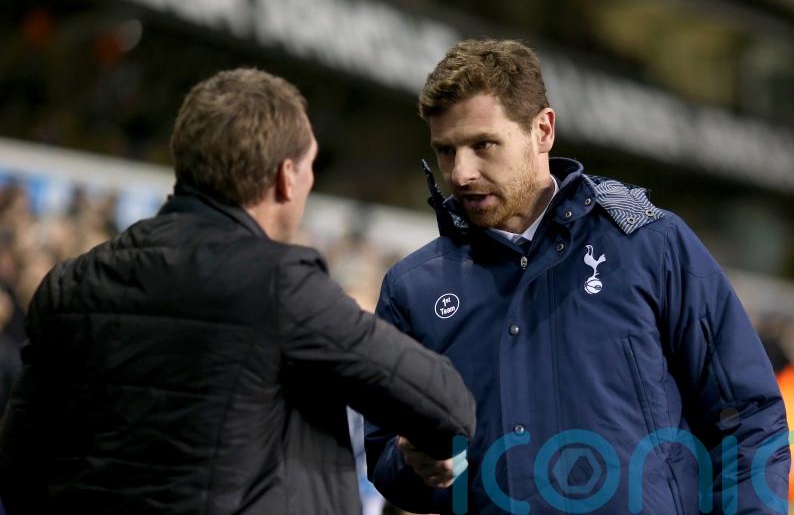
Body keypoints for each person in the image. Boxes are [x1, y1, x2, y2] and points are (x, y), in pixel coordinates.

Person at [0, 68, 476, 514]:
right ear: (286, 177)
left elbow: (18, 462)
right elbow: (445, 403)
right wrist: (427, 450)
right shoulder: (279, 284)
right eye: (312, 166)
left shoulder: (70, 282)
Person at [365, 39, 790, 514]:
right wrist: (413, 464)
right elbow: (384, 458)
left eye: (483, 144)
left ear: (542, 130)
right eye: (446, 151)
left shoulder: (649, 243)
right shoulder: (412, 289)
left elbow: (747, 416)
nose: (461, 173)